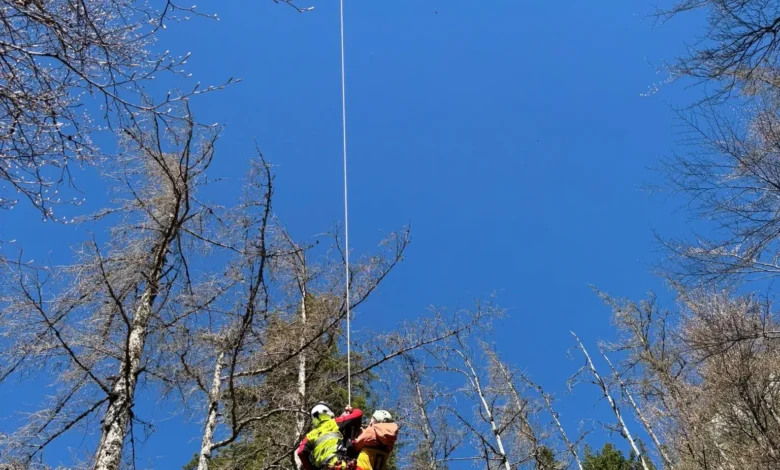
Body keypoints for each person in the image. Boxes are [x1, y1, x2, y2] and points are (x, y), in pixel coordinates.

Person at [296, 403, 363, 470]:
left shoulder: (309, 435)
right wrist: (351, 410)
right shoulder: (335, 422)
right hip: (340, 464)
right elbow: (358, 414)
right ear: (328, 412)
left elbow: (301, 452)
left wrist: (311, 468)